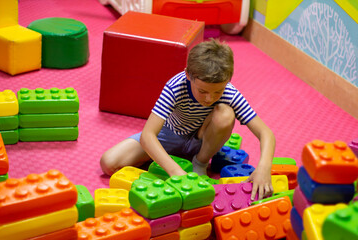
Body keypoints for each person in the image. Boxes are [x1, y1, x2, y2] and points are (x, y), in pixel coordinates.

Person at [100, 39, 275, 200]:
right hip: (169, 136)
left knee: (226, 114)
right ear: (188, 75)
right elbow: (148, 135)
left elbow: (266, 133)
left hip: (201, 142)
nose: (209, 98)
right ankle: (166, 159)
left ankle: (200, 163)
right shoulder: (175, 86)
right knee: (108, 163)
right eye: (203, 91)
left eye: (217, 92)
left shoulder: (229, 92)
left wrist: (264, 167)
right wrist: (175, 171)